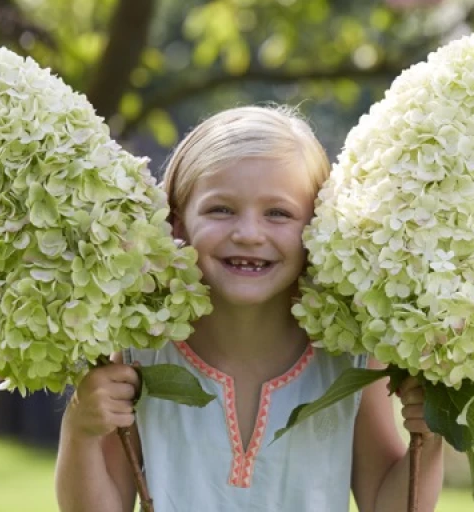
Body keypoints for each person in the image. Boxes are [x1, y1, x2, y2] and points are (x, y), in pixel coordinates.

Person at [55, 105, 444, 512]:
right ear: (177, 223)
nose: (248, 234)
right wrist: (80, 428)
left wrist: (430, 438)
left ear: (318, 227)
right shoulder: (144, 352)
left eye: (278, 213)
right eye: (220, 209)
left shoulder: (349, 358)